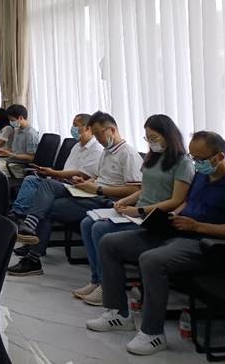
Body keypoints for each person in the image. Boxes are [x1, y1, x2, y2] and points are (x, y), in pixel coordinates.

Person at [86, 131, 225, 356]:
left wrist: (198, 227)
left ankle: (153, 333)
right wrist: (171, 217)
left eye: (200, 159)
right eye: (193, 157)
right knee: (110, 243)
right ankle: (118, 314)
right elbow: (187, 202)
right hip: (177, 230)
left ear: (219, 157)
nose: (195, 163)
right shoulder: (202, 176)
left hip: (205, 243)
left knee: (152, 260)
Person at [73, 114, 193, 305]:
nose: (151, 142)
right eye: (148, 138)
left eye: (154, 138)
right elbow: (143, 189)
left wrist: (139, 211)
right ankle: (96, 279)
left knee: (99, 228)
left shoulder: (183, 163)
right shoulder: (154, 158)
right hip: (137, 212)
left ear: (168, 135)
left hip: (153, 218)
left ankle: (106, 286)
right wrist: (124, 202)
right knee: (88, 223)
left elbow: (176, 200)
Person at [7, 111, 142, 277]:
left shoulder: (128, 154)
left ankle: (32, 253)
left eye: (98, 134)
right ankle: (30, 229)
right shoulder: (107, 152)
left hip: (105, 200)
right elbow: (98, 177)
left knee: (47, 205)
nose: (97, 138)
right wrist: (86, 183)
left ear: (111, 130)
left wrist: (98, 189)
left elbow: (135, 190)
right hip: (91, 193)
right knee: (48, 186)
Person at [8, 113, 103, 227]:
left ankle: (27, 221)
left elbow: (83, 174)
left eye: (75, 125)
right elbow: (67, 168)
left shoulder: (96, 149)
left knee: (46, 188)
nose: (73, 128)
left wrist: (54, 173)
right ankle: (17, 214)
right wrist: (54, 174)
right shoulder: (77, 146)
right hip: (62, 181)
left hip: (75, 186)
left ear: (88, 128)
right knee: (31, 180)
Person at [0, 104, 39, 168]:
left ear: (20, 118)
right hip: (11, 161)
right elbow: (15, 149)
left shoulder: (30, 134)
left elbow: (31, 157)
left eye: (12, 120)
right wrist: (2, 151)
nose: (11, 122)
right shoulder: (17, 130)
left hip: (21, 165)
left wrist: (11, 154)